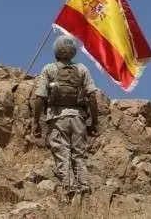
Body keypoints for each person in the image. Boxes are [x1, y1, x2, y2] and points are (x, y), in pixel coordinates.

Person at [32, 34, 100, 195]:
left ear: (56, 51)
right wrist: (94, 122)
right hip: (78, 119)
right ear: (73, 52)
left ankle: (69, 190)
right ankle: (84, 189)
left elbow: (39, 97)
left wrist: (36, 122)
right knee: (79, 155)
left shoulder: (49, 69)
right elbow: (92, 96)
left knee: (63, 154)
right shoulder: (82, 69)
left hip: (57, 118)